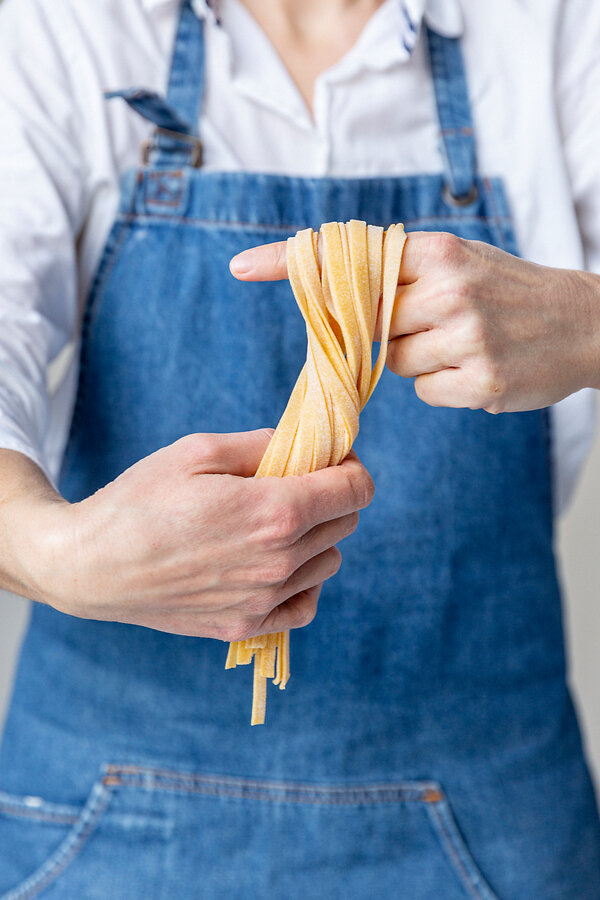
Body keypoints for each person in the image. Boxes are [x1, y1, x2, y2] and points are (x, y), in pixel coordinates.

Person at [0, 0, 599, 896]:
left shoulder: (558, 26)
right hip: (99, 834)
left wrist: (590, 323)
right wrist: (56, 554)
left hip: (493, 835)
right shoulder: (62, 25)